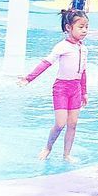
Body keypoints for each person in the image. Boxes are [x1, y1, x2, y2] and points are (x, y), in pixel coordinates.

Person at [19, 9, 90, 162]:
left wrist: (84, 92)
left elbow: (83, 71)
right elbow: (46, 63)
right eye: (80, 27)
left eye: (86, 27)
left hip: (76, 88)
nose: (84, 30)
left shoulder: (83, 49)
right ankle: (48, 147)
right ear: (68, 28)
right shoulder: (62, 47)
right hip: (61, 89)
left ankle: (66, 154)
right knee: (60, 123)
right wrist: (28, 78)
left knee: (73, 123)